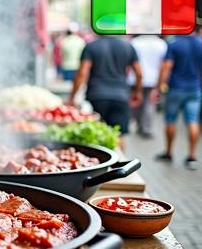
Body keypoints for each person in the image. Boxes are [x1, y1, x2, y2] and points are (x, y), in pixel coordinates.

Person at [68, 35, 142, 151]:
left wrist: (72, 97)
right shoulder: (128, 46)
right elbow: (139, 73)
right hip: (121, 96)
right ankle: (120, 166)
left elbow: (82, 73)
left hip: (97, 96)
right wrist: (138, 92)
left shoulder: (91, 46)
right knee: (118, 135)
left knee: (97, 134)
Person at [153, 24, 202, 170]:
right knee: (192, 121)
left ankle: (168, 152)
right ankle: (192, 156)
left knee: (170, 120)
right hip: (194, 89)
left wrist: (160, 86)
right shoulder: (200, 43)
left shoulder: (173, 43)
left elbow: (167, 66)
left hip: (175, 88)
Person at [127, 34, 167, 138]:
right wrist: (160, 83)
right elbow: (164, 65)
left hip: (135, 78)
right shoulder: (161, 44)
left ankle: (132, 124)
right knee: (149, 104)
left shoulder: (135, 42)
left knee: (134, 102)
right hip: (153, 79)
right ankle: (146, 128)